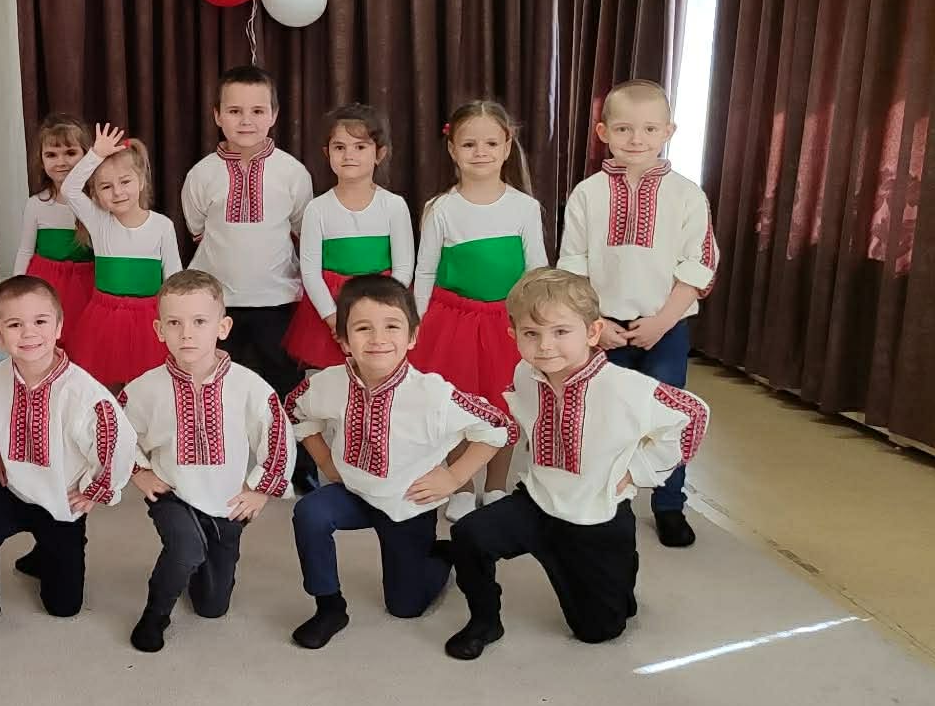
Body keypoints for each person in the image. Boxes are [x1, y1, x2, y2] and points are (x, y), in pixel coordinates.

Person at [444, 268, 711, 660]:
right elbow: (518, 412)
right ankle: (485, 620)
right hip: (537, 501)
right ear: (513, 335)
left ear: (592, 331)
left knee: (599, 629)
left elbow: (692, 414)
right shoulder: (525, 373)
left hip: (594, 516)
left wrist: (637, 472)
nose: (545, 346)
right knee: (469, 534)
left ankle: (617, 578)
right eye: (531, 333)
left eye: (560, 332)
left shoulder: (624, 387)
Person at [283, 275, 514, 650]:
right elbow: (295, 409)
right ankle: (329, 607)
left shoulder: (433, 394)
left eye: (392, 326)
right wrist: (325, 461)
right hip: (354, 492)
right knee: (310, 512)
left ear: (412, 337)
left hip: (408, 503)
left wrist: (454, 476)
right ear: (344, 340)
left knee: (405, 607)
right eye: (363, 328)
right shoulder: (328, 383)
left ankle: (440, 555)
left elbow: (498, 426)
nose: (378, 339)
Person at [557, 79, 719, 548]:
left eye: (650, 129)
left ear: (669, 131)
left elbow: (699, 263)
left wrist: (663, 321)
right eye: (624, 128)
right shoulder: (588, 193)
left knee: (667, 414)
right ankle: (606, 496)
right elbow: (573, 263)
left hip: (665, 327)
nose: (636, 139)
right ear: (603, 131)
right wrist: (595, 324)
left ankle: (669, 504)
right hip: (602, 327)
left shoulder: (686, 194)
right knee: (604, 413)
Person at [0, 276, 134, 640]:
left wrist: (98, 488)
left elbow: (116, 439)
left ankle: (43, 552)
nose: (29, 333)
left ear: (59, 327)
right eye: (14, 325)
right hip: (12, 488)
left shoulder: (83, 393)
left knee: (64, 607)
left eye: (40, 321)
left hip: (60, 496)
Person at [121, 270, 292, 653]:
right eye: (174, 323)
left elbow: (276, 433)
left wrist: (261, 489)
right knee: (185, 550)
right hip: (173, 492)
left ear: (223, 327)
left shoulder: (248, 386)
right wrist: (139, 471)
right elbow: (118, 434)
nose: (187, 334)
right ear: (159, 329)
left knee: (213, 607)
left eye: (200, 321)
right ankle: (155, 615)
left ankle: (199, 565)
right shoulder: (145, 389)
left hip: (226, 502)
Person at [181, 66, 314, 408]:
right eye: (234, 111)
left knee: (285, 385)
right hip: (216, 303)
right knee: (219, 388)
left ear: (274, 115)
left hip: (278, 300)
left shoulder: (293, 173)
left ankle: (290, 445)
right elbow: (197, 230)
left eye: (257, 111)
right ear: (217, 115)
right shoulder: (201, 175)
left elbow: (301, 229)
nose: (245, 121)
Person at [410, 101, 549, 413]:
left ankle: (500, 448)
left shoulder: (524, 207)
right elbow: (426, 271)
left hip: (507, 323)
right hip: (451, 326)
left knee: (507, 406)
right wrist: (416, 320)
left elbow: (536, 271)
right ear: (452, 150)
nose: (480, 152)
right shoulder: (440, 208)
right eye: (469, 144)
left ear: (507, 147)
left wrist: (539, 318)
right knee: (454, 406)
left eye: (491, 144)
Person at [283, 103, 416, 372]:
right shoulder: (317, 209)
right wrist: (334, 318)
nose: (349, 155)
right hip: (330, 306)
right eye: (339, 147)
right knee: (328, 380)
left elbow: (403, 268)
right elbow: (309, 272)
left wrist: (380, 311)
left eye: (360, 147)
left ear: (379, 153)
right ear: (328, 153)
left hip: (382, 303)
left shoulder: (394, 205)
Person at [59, 122, 182, 390]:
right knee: (105, 388)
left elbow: (174, 278)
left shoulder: (162, 226)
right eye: (106, 187)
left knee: (148, 388)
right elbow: (69, 190)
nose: (117, 192)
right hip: (104, 319)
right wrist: (95, 154)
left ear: (141, 182)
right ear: (95, 194)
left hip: (150, 321)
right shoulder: (99, 222)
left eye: (125, 182)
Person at [11, 112, 95, 336]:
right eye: (51, 155)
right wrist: (16, 291)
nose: (61, 162)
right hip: (44, 287)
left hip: (87, 289)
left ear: (87, 155)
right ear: (41, 160)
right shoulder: (36, 204)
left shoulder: (97, 205)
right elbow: (25, 251)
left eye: (70, 153)